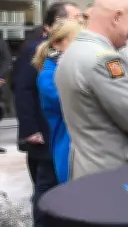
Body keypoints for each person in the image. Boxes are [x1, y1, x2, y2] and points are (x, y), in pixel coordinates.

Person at [55, 0, 128, 179]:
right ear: (116, 17)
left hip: (89, 168)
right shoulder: (105, 60)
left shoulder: (72, 52)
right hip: (116, 172)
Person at [12, 1, 81, 225]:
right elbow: (22, 89)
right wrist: (29, 128)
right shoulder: (37, 51)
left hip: (55, 132)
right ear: (55, 26)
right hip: (43, 131)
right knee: (46, 184)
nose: (81, 22)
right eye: (76, 17)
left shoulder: (63, 54)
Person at [33, 19, 84, 184]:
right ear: (57, 44)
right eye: (77, 41)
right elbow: (76, 104)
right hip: (68, 149)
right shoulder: (48, 76)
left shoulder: (74, 67)